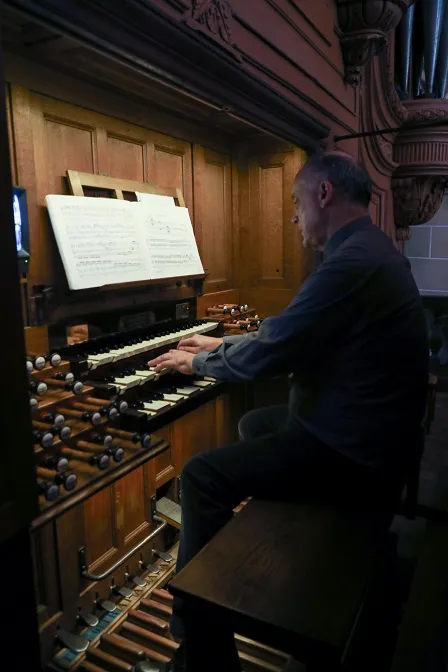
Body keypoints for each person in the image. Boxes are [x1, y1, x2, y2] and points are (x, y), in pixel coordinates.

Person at [148, 151, 429, 671]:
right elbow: (295, 331)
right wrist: (226, 340)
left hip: (356, 455)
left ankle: (199, 641)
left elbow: (278, 349)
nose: (294, 218)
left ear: (323, 195)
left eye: (297, 204)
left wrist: (202, 362)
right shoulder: (371, 250)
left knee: (201, 474)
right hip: (375, 434)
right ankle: (265, 543)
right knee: (257, 423)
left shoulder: (351, 265)